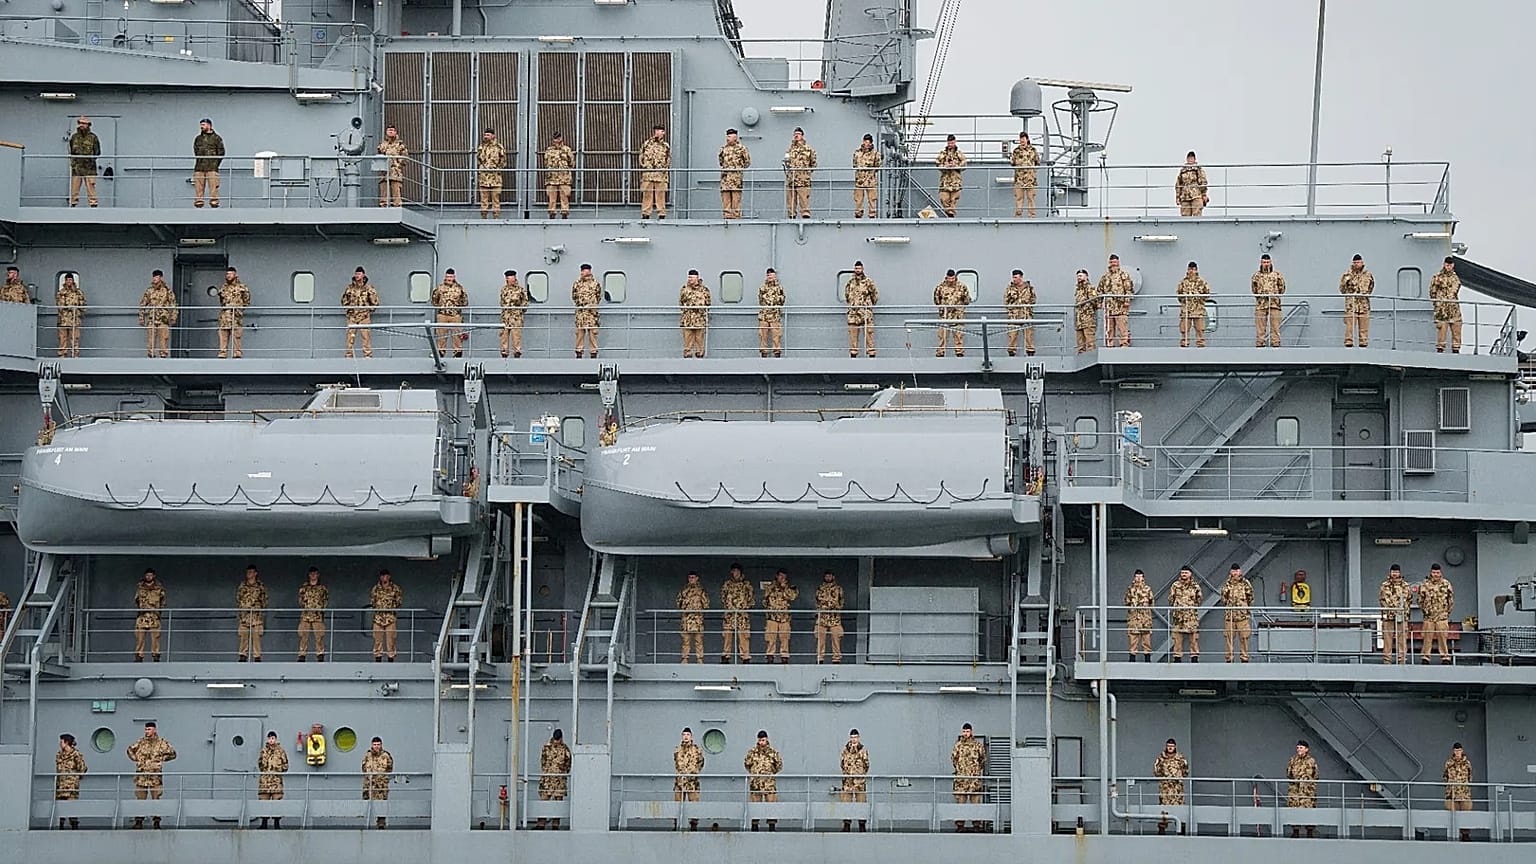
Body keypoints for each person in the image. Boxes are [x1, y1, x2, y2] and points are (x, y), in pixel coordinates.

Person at [126, 721, 176, 828]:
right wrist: (137, 759)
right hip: (142, 775)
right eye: (146, 729)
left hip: (155, 776)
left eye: (149, 729)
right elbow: (130, 750)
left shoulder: (161, 743)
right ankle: (139, 821)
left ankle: (156, 821)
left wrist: (161, 760)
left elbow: (173, 754)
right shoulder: (141, 742)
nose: (146, 731)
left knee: (156, 799)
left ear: (154, 730)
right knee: (140, 799)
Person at [950, 722, 986, 833]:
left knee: (975, 803)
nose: (966, 733)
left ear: (971, 732)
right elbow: (953, 759)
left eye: (968, 731)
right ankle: (960, 824)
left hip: (974, 780)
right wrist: (961, 770)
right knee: (961, 803)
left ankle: (976, 824)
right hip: (961, 780)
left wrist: (975, 771)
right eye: (964, 731)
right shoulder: (958, 745)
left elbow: (983, 759)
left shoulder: (977, 745)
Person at [744, 730, 782, 831]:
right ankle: (755, 826)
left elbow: (778, 765)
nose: (762, 742)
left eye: (763, 740)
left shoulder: (773, 752)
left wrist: (770, 773)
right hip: (755, 784)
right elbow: (747, 764)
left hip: (769, 784)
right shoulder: (752, 752)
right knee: (755, 806)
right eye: (760, 740)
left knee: (771, 805)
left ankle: (772, 827)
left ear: (767, 740)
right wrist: (755, 774)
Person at [1418, 563, 1455, 664]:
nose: (1435, 574)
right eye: (1434, 572)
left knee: (1443, 638)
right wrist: (1426, 611)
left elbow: (1450, 600)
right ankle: (1425, 657)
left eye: (1437, 572)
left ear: (1440, 573)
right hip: (1428, 617)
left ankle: (1445, 657)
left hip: (1442, 617)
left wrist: (1446, 612)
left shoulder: (1446, 584)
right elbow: (1420, 600)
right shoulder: (1424, 584)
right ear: (1431, 572)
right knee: (1427, 638)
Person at [719, 563, 755, 663]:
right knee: (727, 636)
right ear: (731, 572)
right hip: (729, 615)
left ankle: (745, 657)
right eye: (734, 571)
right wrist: (729, 607)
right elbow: (723, 597)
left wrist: (743, 607)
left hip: (742, 615)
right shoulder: (727, 584)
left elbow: (751, 599)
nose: (736, 573)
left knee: (743, 637)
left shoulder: (746, 584)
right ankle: (726, 656)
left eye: (738, 571)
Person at [1152, 738, 1188, 835]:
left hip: (1177, 790)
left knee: (1179, 809)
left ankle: (1181, 830)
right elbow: (1156, 772)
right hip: (1165, 790)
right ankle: (1162, 830)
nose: (1170, 748)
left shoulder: (1180, 758)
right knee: (1164, 810)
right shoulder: (1161, 758)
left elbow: (1185, 772)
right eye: (1168, 746)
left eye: (1172, 746)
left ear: (1175, 747)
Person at [1097, 255, 1135, 348]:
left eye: (1115, 262)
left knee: (1122, 327)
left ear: (1118, 262)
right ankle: (1110, 344)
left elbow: (1129, 289)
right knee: (1109, 328)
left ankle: (1124, 343)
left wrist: (1127, 300)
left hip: (1121, 306)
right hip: (1109, 307)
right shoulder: (1105, 277)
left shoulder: (1124, 275)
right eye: (1111, 262)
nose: (1113, 264)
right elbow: (1100, 291)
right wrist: (1099, 302)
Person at [341, 267, 380, 358]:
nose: (357, 276)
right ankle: (348, 355)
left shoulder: (369, 288)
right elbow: (344, 300)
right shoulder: (350, 288)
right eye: (356, 274)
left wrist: (368, 310)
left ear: (363, 275)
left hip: (364, 316)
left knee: (365, 336)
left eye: (359, 274)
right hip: (352, 316)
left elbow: (375, 302)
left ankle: (367, 355)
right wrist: (348, 309)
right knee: (350, 337)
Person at [933, 268, 972, 357]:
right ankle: (940, 352)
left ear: (955, 277)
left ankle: (959, 352)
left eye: (952, 278)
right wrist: (943, 308)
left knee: (958, 336)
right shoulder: (940, 287)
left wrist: (959, 307)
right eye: (949, 278)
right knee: (942, 336)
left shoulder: (962, 287)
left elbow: (966, 300)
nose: (951, 280)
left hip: (957, 316)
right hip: (945, 316)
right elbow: (936, 300)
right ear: (946, 277)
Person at [1219, 563, 1254, 663]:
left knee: (1244, 638)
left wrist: (1243, 607)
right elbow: (1223, 598)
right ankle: (1229, 659)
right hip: (1230, 617)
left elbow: (1250, 597)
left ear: (1240, 571)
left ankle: (1244, 658)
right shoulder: (1227, 584)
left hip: (1242, 616)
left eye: (1237, 571)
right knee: (1229, 639)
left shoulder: (1245, 583)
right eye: (1233, 571)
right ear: (1230, 572)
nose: (1235, 573)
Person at [537, 729, 572, 830]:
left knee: (558, 804)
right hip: (547, 780)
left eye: (558, 739)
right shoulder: (546, 747)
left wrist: (561, 773)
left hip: (559, 781)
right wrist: (547, 772)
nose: (557, 741)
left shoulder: (565, 749)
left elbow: (568, 764)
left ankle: (555, 825)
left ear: (561, 738)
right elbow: (542, 761)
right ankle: (541, 824)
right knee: (544, 802)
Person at [138, 270, 177, 358]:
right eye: (154, 277)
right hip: (152, 317)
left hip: (163, 318)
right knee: (150, 338)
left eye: (157, 277)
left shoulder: (167, 291)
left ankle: (163, 355)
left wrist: (173, 317)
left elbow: (173, 304)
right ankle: (151, 354)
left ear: (161, 278)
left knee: (164, 337)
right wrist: (141, 317)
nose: (155, 278)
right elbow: (143, 303)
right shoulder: (149, 291)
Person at [431, 268, 470, 357]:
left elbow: (465, 302)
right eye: (448, 276)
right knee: (441, 335)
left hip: (455, 316)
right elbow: (434, 301)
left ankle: (457, 353)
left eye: (451, 276)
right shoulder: (439, 288)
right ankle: (440, 354)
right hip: (442, 315)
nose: (449, 278)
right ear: (445, 276)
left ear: (454, 277)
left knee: (457, 336)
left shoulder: (459, 288)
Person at [843, 261, 878, 357]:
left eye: (859, 268)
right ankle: (853, 354)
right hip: (853, 314)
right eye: (856, 268)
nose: (857, 270)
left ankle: (871, 354)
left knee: (869, 335)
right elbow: (847, 296)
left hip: (865, 313)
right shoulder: (850, 283)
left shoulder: (868, 282)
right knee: (853, 335)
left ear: (862, 269)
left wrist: (869, 306)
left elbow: (874, 295)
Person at [762, 569, 798, 664]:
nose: (782, 578)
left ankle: (784, 657)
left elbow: (792, 597)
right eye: (780, 576)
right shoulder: (770, 587)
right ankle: (770, 656)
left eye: (784, 577)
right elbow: (765, 600)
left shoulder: (790, 587)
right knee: (771, 638)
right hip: (772, 617)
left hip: (784, 617)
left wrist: (784, 587)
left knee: (784, 638)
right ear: (777, 576)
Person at [1339, 254, 1375, 348]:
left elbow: (1370, 288)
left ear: (1362, 262)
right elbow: (1342, 289)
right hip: (1351, 305)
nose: (1356, 264)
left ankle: (1363, 343)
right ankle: (1348, 342)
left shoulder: (1368, 275)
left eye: (1358, 262)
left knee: (1364, 326)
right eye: (1355, 262)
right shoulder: (1347, 274)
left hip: (1364, 305)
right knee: (1349, 326)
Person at [1251, 254, 1286, 347]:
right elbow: (1254, 289)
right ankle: (1260, 343)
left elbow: (1282, 287)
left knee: (1275, 326)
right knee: (1260, 326)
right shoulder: (1256, 276)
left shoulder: (1277, 275)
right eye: (1264, 262)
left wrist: (1275, 295)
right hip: (1261, 304)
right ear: (1261, 263)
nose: (1266, 264)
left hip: (1274, 304)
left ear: (1270, 262)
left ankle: (1275, 343)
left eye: (1267, 262)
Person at [1168, 566, 1202, 662]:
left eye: (1186, 572)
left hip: (1191, 617)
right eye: (1182, 572)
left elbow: (1199, 600)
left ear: (1190, 574)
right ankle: (1177, 657)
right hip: (1178, 617)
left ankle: (1194, 658)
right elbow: (1171, 599)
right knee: (1177, 639)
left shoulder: (1195, 586)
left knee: (1193, 639)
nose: (1184, 574)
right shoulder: (1175, 585)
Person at [1378, 564, 1410, 665]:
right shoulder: (1384, 586)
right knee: (1387, 640)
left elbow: (1409, 599)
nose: (1395, 574)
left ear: (1399, 573)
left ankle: (1402, 660)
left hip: (1402, 617)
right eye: (1393, 572)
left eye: (1396, 572)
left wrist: (1403, 611)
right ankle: (1387, 660)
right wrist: (1390, 610)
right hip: (1388, 617)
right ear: (1390, 572)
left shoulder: (1405, 586)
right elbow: (1382, 600)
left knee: (1402, 640)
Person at [673, 727, 704, 830]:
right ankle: (677, 825)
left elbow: (701, 763)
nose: (686, 736)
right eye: (684, 735)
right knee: (677, 804)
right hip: (679, 782)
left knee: (694, 804)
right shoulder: (677, 750)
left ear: (691, 736)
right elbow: (676, 763)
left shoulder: (696, 750)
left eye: (688, 735)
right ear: (682, 736)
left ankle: (694, 825)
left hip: (692, 782)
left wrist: (694, 773)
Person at [1429, 257, 1463, 353]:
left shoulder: (1455, 278)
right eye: (1447, 265)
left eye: (1450, 265)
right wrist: (1437, 303)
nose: (1449, 267)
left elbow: (1455, 290)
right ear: (1444, 264)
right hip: (1442, 308)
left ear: (1453, 266)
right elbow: (1432, 292)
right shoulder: (1437, 277)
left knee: (1456, 328)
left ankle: (1456, 348)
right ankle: (1440, 348)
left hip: (1453, 308)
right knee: (1442, 330)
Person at [1286, 740, 1318, 838]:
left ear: (1306, 749)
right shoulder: (1293, 760)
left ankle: (1310, 831)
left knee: (1309, 810)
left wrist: (1308, 784)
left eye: (1301, 747)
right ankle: (1295, 831)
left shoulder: (1311, 761)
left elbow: (1315, 775)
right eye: (1298, 747)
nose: (1299, 749)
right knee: (1294, 810)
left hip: (1307, 792)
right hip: (1295, 791)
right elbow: (1288, 773)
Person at [235, 564, 267, 662]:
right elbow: (238, 598)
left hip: (256, 617)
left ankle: (257, 656)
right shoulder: (242, 585)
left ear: (255, 573)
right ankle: (242, 655)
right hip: (245, 616)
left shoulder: (260, 586)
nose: (249, 574)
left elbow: (264, 600)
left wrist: (258, 608)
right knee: (244, 636)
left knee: (256, 637)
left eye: (251, 572)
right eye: (248, 572)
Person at [216, 266, 251, 358]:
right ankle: (223, 352)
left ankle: (237, 353)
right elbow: (221, 300)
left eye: (230, 274)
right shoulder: (223, 288)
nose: (228, 276)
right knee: (223, 334)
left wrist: (239, 309)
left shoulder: (242, 287)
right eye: (227, 274)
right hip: (225, 315)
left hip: (236, 316)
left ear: (235, 275)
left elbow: (246, 301)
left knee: (237, 335)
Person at [370, 569, 404, 662]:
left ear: (389, 576)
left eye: (385, 575)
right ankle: (378, 659)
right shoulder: (376, 589)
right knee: (377, 640)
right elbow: (373, 602)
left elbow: (398, 602)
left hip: (390, 618)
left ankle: (390, 659)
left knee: (391, 640)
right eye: (382, 575)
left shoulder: (395, 588)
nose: (383, 577)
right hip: (378, 618)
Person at [257, 730, 289, 829]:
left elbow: (285, 765)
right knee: (263, 802)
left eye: (273, 738)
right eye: (270, 738)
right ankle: (264, 823)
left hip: (276, 781)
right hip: (265, 781)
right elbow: (260, 764)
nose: (271, 740)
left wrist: (278, 770)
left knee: (277, 802)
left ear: (275, 739)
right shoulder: (263, 751)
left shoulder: (281, 751)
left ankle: (277, 824)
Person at [55, 733, 88, 830]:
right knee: (60, 808)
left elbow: (82, 768)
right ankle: (60, 826)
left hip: (71, 787)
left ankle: (74, 827)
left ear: (67, 742)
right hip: (60, 786)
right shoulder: (59, 755)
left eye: (61, 742)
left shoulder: (76, 754)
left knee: (72, 808)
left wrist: (74, 779)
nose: (60, 744)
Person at [675, 571, 709, 663]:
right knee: (685, 641)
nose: (691, 579)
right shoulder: (684, 590)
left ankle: (699, 658)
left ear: (697, 578)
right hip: (686, 620)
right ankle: (685, 658)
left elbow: (706, 604)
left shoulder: (701, 590)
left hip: (697, 620)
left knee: (699, 641)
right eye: (690, 577)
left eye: (693, 577)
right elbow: (678, 603)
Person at [783, 128, 817, 218]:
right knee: (791, 198)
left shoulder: (808, 150)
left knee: (803, 197)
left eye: (798, 134)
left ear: (802, 136)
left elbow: (813, 163)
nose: (796, 136)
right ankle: (791, 214)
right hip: (791, 178)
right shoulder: (789, 150)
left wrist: (806, 173)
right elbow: (786, 162)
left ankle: (805, 212)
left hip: (803, 178)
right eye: (795, 134)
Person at [840, 729, 869, 832]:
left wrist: (859, 776)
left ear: (858, 738)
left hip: (860, 782)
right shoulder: (845, 751)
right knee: (846, 803)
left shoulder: (863, 751)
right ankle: (846, 824)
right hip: (847, 782)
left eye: (855, 737)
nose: (854, 739)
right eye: (852, 737)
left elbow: (866, 765)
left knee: (861, 802)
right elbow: (842, 765)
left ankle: (862, 825)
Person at [134, 569, 166, 662]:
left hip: (154, 616)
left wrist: (158, 611)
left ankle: (156, 655)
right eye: (147, 575)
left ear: (154, 576)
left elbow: (163, 602)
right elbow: (136, 600)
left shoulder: (159, 589)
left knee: (155, 638)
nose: (148, 577)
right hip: (142, 616)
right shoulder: (140, 588)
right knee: (140, 637)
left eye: (150, 575)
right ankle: (139, 656)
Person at [296, 567, 328, 662]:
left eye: (315, 573)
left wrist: (320, 609)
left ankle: (320, 655)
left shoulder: (322, 588)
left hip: (317, 615)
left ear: (318, 575)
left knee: (319, 636)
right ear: (309, 575)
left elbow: (325, 600)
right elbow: (300, 600)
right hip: (306, 615)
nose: (313, 575)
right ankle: (302, 655)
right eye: (311, 573)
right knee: (303, 636)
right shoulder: (304, 587)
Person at [1176, 261, 1210, 348]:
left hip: (1198, 310)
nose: (1191, 271)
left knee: (1200, 329)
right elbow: (1179, 295)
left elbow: (1207, 294)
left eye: (1193, 269)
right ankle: (1184, 343)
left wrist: (1198, 297)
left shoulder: (1202, 282)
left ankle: (1200, 344)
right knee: (1184, 329)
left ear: (1196, 270)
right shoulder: (1183, 282)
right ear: (1187, 270)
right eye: (1190, 269)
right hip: (1186, 310)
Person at [639, 125, 671, 219]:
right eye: (656, 130)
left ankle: (661, 213)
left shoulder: (665, 146)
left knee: (660, 195)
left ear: (663, 133)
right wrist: (645, 166)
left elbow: (668, 159)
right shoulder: (647, 144)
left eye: (660, 131)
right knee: (647, 194)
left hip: (660, 175)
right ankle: (646, 213)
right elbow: (641, 156)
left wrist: (663, 168)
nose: (657, 132)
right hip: (648, 174)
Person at [678, 269, 712, 358]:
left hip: (699, 319)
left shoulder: (704, 290)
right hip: (687, 320)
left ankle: (700, 355)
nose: (690, 279)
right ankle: (687, 355)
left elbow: (708, 302)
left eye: (692, 277)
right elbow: (681, 302)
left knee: (699, 339)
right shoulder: (684, 289)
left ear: (697, 278)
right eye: (689, 277)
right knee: (687, 339)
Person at [718, 128, 751, 219]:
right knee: (726, 198)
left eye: (729, 136)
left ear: (735, 137)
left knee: (736, 198)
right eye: (727, 136)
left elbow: (747, 162)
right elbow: (721, 161)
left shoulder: (742, 149)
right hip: (725, 178)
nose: (727, 138)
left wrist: (738, 168)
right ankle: (727, 216)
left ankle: (736, 216)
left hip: (736, 179)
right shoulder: (723, 149)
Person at [814, 570, 846, 664]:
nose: (828, 577)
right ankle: (820, 658)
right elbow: (817, 602)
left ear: (833, 577)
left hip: (834, 618)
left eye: (830, 576)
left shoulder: (838, 589)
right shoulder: (820, 588)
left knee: (836, 639)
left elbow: (841, 602)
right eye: (826, 576)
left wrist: (835, 608)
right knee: (820, 639)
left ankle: (836, 659)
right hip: (822, 618)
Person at [192, 118, 225, 208]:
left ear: (209, 125)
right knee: (198, 185)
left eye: (203, 124)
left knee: (213, 185)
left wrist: (215, 163)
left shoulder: (216, 138)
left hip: (212, 166)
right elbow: (195, 150)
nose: (201, 126)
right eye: (201, 125)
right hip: (199, 166)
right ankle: (199, 201)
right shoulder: (198, 139)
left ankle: (214, 201)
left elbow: (221, 152)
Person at [68, 116, 100, 208]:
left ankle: (93, 205)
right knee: (74, 188)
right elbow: (71, 151)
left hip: (90, 168)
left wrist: (91, 160)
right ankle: (73, 204)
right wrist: (74, 162)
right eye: (80, 123)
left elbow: (97, 151)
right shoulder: (74, 137)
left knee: (91, 187)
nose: (81, 125)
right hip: (77, 168)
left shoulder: (93, 137)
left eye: (83, 123)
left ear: (88, 125)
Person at [1443, 742, 1473, 841]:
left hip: (1464, 794)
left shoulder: (1467, 763)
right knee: (1452, 816)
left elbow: (1470, 777)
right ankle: (1453, 835)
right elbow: (1445, 777)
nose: (1457, 752)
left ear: (1462, 751)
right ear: (1453, 751)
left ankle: (1465, 835)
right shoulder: (1448, 763)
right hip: (1451, 794)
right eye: (1456, 750)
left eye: (1459, 750)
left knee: (1466, 815)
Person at [361, 737, 393, 829]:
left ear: (381, 745)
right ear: (372, 745)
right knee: (367, 803)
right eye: (375, 745)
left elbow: (389, 769)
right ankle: (366, 823)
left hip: (381, 785)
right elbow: (363, 768)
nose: (376, 746)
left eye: (378, 744)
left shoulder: (386, 756)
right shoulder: (367, 755)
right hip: (369, 784)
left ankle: (381, 824)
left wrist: (383, 779)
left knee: (381, 804)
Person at [572, 263, 602, 358]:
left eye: (585, 270)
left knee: (593, 334)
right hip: (581, 314)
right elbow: (574, 296)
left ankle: (593, 353)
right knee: (580, 334)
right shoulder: (577, 283)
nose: (583, 272)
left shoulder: (595, 283)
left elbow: (598, 296)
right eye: (582, 270)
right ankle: (579, 353)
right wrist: (581, 304)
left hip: (591, 314)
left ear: (589, 271)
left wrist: (592, 305)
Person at [543, 132, 575, 219]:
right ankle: (552, 213)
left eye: (558, 138)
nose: (557, 140)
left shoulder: (567, 149)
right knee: (551, 197)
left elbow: (571, 162)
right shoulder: (549, 150)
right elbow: (546, 162)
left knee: (564, 196)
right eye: (556, 138)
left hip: (564, 178)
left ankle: (564, 213)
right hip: (552, 178)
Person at [55, 272, 87, 357]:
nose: (69, 281)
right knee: (63, 338)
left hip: (75, 319)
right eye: (67, 280)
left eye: (70, 279)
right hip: (63, 319)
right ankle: (62, 355)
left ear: (73, 280)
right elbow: (59, 305)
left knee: (75, 339)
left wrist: (79, 310)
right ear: (65, 281)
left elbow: (83, 304)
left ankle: (75, 355)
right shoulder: (61, 292)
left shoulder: (78, 292)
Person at [1003, 270, 1035, 356]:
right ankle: (1012, 352)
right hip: (1014, 316)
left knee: (1029, 335)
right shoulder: (1009, 288)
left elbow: (1033, 300)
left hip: (1026, 315)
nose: (1014, 279)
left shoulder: (1029, 288)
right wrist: (1011, 311)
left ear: (1021, 277)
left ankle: (1030, 352)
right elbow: (1006, 301)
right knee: (1012, 335)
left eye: (1016, 277)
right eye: (1013, 277)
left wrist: (1027, 308)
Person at [1123, 569, 1153, 662]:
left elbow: (1151, 602)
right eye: (1136, 576)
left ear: (1143, 577)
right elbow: (1126, 601)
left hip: (1145, 619)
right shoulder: (1130, 589)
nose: (1138, 578)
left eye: (1140, 576)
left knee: (1146, 640)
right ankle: (1132, 659)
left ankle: (1147, 659)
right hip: (1134, 619)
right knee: (1133, 640)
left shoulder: (1147, 589)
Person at [476, 128, 507, 218]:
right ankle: (484, 217)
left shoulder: (499, 147)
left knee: (495, 199)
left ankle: (496, 217)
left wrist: (496, 168)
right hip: (484, 178)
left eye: (488, 135)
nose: (486, 137)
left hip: (495, 178)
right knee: (484, 199)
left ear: (493, 136)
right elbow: (479, 160)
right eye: (485, 135)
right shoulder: (481, 147)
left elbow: (503, 161)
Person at [934, 135, 968, 217]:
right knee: (944, 198)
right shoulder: (943, 154)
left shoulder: (959, 154)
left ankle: (951, 214)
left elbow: (964, 164)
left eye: (952, 143)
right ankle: (948, 213)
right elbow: (937, 163)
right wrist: (944, 166)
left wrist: (956, 165)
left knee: (953, 199)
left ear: (955, 142)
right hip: (945, 181)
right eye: (949, 143)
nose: (950, 145)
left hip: (955, 181)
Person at [377, 124, 409, 207]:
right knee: (384, 190)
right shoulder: (382, 145)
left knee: (396, 190)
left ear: (395, 132)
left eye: (392, 130)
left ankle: (397, 206)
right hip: (384, 171)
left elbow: (405, 158)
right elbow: (379, 156)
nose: (390, 132)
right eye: (389, 130)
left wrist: (398, 164)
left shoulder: (400, 145)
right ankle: (383, 206)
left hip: (395, 171)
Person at [499, 270, 528, 358]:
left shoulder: (520, 290)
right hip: (505, 317)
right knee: (504, 336)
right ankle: (504, 353)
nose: (510, 279)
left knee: (516, 336)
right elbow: (502, 302)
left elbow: (525, 302)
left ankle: (517, 353)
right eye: (508, 278)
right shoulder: (504, 289)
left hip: (516, 317)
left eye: (511, 278)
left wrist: (518, 311)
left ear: (515, 278)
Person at [757, 268, 785, 357]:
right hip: (764, 315)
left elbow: (782, 300)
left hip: (775, 316)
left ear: (775, 276)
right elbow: (761, 300)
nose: (770, 277)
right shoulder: (762, 288)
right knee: (763, 335)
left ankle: (776, 353)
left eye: (771, 275)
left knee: (776, 335)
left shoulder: (779, 288)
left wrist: (772, 300)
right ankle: (764, 353)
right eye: (768, 275)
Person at [1011, 132, 1040, 217]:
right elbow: (1012, 163)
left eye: (1023, 139)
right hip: (1019, 179)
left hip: (1030, 179)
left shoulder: (1033, 150)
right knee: (1019, 198)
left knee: (1031, 198)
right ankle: (1018, 216)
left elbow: (1037, 162)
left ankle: (1032, 215)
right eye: (1021, 139)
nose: (1022, 141)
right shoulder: (1016, 151)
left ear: (1027, 139)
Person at [852, 134, 881, 218]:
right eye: (865, 141)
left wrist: (870, 173)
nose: (866, 143)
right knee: (858, 199)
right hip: (860, 180)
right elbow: (854, 164)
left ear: (871, 143)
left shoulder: (875, 154)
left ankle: (872, 214)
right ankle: (858, 214)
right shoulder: (857, 153)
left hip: (870, 180)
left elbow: (878, 166)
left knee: (872, 198)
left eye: (868, 142)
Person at [1175, 151, 1208, 216]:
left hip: (1196, 195)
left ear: (1194, 159)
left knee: (1197, 215)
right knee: (1185, 217)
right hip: (1185, 196)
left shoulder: (1198, 169)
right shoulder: (1183, 170)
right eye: (1189, 158)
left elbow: (1203, 182)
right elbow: (1178, 184)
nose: (1190, 159)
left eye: (1192, 158)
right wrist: (1177, 197)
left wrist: (1204, 195)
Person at [1073, 269, 1098, 353]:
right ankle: (1081, 352)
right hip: (1079, 318)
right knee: (1080, 339)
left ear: (1086, 276)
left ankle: (1091, 352)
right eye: (1078, 276)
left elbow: (1095, 301)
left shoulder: (1090, 288)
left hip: (1088, 317)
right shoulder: (1078, 289)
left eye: (1081, 276)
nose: (1079, 278)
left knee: (1089, 337)